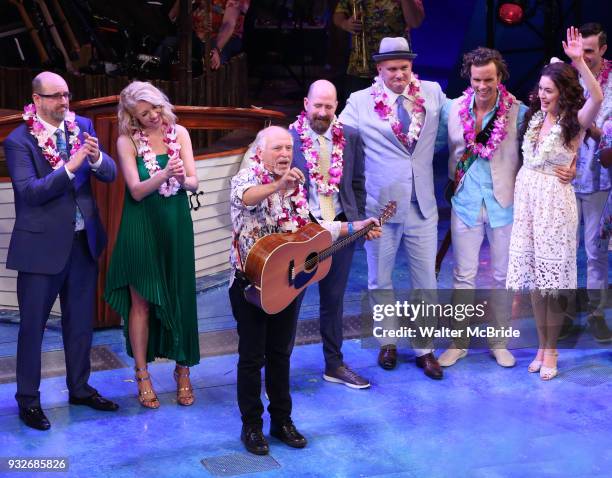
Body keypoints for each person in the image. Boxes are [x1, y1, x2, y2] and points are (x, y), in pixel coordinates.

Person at [229, 126, 380, 455]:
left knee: (281, 354)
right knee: (252, 357)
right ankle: (251, 427)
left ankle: (282, 421)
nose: (285, 154)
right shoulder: (246, 176)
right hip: (250, 283)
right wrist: (277, 186)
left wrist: (356, 226)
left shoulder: (295, 188)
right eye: (277, 149)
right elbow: (247, 198)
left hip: (286, 281)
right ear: (261, 151)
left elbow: (313, 227)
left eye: (288, 148)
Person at [5, 71, 118, 431]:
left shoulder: (81, 125)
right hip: (41, 248)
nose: (64, 102)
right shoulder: (18, 141)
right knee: (33, 327)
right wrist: (69, 168)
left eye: (67, 95)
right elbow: (31, 192)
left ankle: (80, 388)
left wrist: (98, 158)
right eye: (55, 96)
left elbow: (110, 173)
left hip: (83, 244)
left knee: (81, 324)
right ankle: (29, 400)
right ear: (36, 100)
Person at [339, 37, 446, 379]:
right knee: (380, 280)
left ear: (411, 67)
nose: (399, 74)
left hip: (423, 204)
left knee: (425, 280)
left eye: (404, 68)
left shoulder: (432, 92)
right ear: (379, 69)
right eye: (392, 69)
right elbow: (337, 141)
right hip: (379, 209)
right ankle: (387, 341)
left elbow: (468, 112)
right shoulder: (359, 101)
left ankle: (425, 349)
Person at [506, 27, 604, 381]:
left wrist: (578, 61)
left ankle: (553, 350)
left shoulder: (574, 122)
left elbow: (595, 94)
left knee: (550, 282)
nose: (541, 95)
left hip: (554, 206)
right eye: (541, 89)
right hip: (529, 202)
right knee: (535, 282)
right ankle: (541, 346)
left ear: (563, 92)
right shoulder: (535, 120)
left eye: (548, 90)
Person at [105, 82, 200, 408]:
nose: (153, 117)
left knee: (181, 295)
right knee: (141, 303)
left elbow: (193, 181)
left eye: (156, 108)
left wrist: (180, 179)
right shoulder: (126, 141)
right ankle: (142, 374)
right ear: (131, 116)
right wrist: (162, 175)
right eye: (144, 114)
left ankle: (183, 370)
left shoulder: (181, 133)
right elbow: (135, 190)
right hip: (141, 227)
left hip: (175, 224)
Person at [290, 79, 370, 389]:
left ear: (336, 106)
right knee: (290, 300)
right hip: (303, 231)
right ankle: (278, 366)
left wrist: (358, 221)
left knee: (333, 300)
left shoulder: (350, 137)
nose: (322, 112)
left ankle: (334, 364)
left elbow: (358, 184)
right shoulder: (288, 138)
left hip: (341, 228)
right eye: (318, 105)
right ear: (306, 104)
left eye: (329, 106)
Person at [570, 23, 612, 341]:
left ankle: (596, 313)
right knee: (563, 249)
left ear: (602, 50)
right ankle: (565, 313)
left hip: (600, 181)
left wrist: (594, 129)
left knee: (595, 251)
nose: (583, 56)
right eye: (579, 50)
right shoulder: (566, 78)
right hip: (565, 180)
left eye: (589, 51)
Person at [333, 0, 425, 96]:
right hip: (360, 67)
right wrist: (345, 24)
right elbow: (338, 15)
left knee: (397, 108)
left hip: (395, 66)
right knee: (358, 107)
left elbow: (415, 22)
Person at [170, 0, 250, 70]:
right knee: (168, 47)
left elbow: (228, 24)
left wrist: (216, 49)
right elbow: (172, 16)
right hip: (195, 35)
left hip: (224, 38)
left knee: (211, 63)